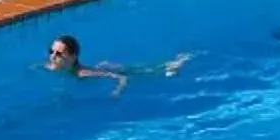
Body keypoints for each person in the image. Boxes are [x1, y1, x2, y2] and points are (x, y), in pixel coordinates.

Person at [45, 33, 188, 93]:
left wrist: (117, 91)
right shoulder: (52, 66)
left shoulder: (83, 74)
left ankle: (170, 66)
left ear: (73, 56)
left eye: (59, 54)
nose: (52, 57)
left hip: (103, 70)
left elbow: (122, 78)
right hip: (101, 66)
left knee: (139, 73)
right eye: (51, 52)